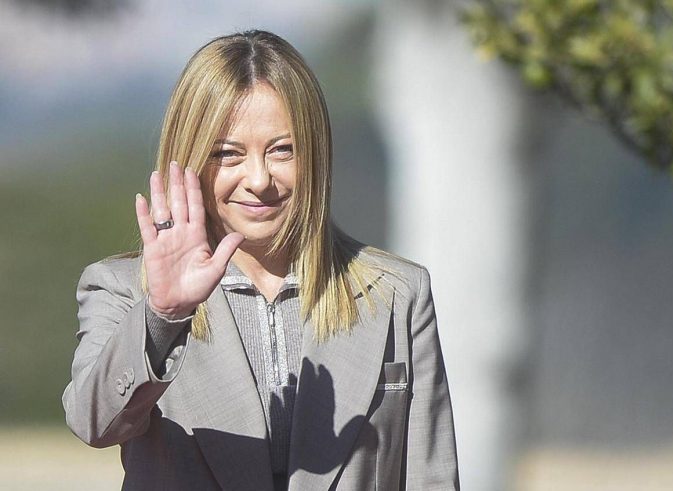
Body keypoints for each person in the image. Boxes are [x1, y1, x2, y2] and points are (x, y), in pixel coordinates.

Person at [62, 30, 459, 490]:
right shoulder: (124, 288)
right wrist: (163, 316)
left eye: (282, 150)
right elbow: (94, 423)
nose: (259, 179)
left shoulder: (397, 293)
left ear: (316, 155)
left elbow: (431, 476)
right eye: (228, 154)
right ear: (189, 160)